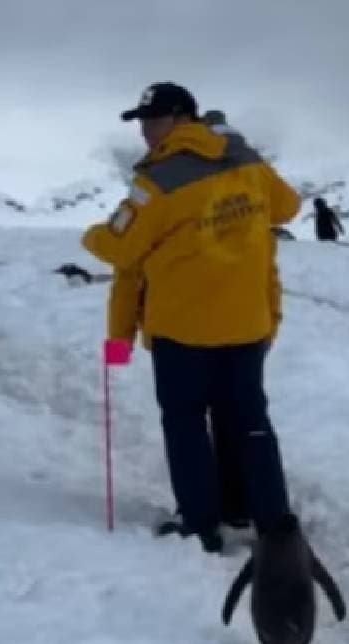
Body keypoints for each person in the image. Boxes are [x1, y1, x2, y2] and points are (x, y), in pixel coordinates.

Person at [82, 82, 299, 553]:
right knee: (247, 419)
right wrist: (248, 160)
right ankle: (266, 515)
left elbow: (121, 251)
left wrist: (92, 237)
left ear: (182, 119)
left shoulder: (157, 184)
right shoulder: (244, 160)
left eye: (154, 120)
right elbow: (287, 207)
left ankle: (200, 523)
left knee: (185, 423)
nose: (145, 131)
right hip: (248, 323)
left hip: (183, 331)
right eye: (141, 121)